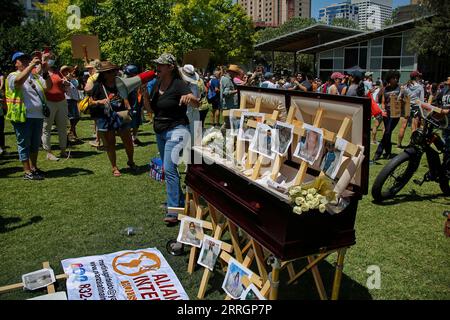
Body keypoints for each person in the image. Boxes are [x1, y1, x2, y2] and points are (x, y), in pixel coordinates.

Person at [149, 53, 199, 224]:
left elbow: (196, 101)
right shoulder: (156, 84)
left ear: (170, 67)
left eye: (160, 65)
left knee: (170, 168)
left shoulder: (179, 84)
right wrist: (143, 95)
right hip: (160, 130)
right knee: (167, 168)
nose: (157, 68)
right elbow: (151, 110)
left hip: (177, 130)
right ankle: (177, 202)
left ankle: (174, 211)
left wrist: (189, 98)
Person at [5, 51, 53, 180]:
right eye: (22, 59)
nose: (26, 61)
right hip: (22, 115)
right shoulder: (12, 75)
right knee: (24, 143)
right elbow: (18, 82)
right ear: (16, 63)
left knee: (34, 144)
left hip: (37, 115)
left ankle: (33, 168)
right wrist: (31, 66)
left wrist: (45, 71)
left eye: (27, 58)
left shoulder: (35, 77)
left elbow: (49, 86)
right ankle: (27, 171)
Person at [88, 60, 137, 177]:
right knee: (111, 144)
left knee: (128, 142)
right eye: (109, 72)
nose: (113, 73)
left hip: (121, 115)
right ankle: (114, 167)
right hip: (105, 117)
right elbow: (90, 102)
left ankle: (131, 161)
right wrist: (100, 101)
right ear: (103, 74)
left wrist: (128, 106)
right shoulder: (98, 86)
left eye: (113, 71)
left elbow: (125, 95)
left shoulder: (119, 83)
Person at [41, 62, 70, 161]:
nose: (51, 61)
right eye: (49, 58)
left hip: (61, 101)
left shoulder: (59, 72)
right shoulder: (41, 73)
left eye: (52, 58)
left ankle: (63, 151)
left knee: (62, 127)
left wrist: (66, 84)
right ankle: (48, 152)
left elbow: (64, 87)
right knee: (46, 127)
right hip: (48, 102)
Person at [373, 70, 402, 161]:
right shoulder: (385, 89)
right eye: (394, 78)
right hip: (386, 114)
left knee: (387, 131)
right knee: (387, 133)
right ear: (389, 79)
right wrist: (383, 110)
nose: (396, 79)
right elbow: (382, 101)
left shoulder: (400, 88)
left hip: (395, 114)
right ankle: (388, 152)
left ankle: (378, 152)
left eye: (397, 77)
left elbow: (405, 100)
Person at [179, 64, 201, 143]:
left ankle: (195, 154)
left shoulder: (194, 85)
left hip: (194, 113)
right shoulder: (178, 85)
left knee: (196, 139)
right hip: (183, 115)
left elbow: (198, 97)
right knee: (184, 140)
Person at [123, 65, 144, 146]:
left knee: (137, 123)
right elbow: (124, 96)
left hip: (137, 104)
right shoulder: (126, 82)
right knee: (130, 124)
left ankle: (135, 138)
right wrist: (128, 106)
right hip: (131, 105)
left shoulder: (137, 81)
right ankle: (130, 140)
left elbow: (140, 93)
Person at [61, 65, 81, 143]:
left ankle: (71, 131)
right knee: (72, 117)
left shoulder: (73, 79)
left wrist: (71, 78)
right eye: (65, 71)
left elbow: (76, 85)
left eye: (67, 70)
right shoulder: (63, 79)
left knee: (77, 117)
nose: (67, 72)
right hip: (68, 99)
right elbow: (65, 85)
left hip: (74, 99)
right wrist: (68, 79)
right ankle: (72, 133)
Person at [405, 71, 425, 137]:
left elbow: (404, 97)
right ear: (416, 77)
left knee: (404, 125)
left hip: (407, 107)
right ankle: (413, 142)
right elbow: (421, 100)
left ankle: (399, 144)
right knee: (414, 126)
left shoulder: (406, 86)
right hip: (416, 107)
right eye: (419, 76)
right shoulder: (420, 87)